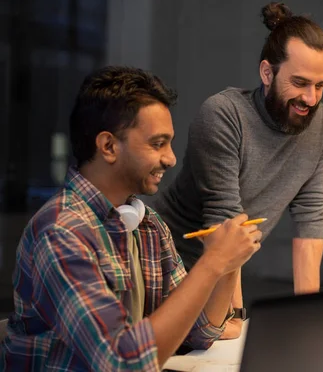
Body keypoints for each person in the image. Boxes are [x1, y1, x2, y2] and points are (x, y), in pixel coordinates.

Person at [0, 66, 262, 371]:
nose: (171, 158)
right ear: (109, 146)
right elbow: (122, 362)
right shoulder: (61, 233)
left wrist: (228, 266)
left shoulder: (147, 224)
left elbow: (198, 331)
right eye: (157, 143)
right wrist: (212, 263)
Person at [151, 1, 323, 338]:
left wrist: (310, 319)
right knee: (224, 339)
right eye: (300, 82)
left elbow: (311, 215)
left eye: (320, 85)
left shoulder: (319, 123)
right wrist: (232, 314)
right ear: (267, 73)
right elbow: (225, 220)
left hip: (227, 264)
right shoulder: (223, 115)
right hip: (170, 267)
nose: (310, 98)